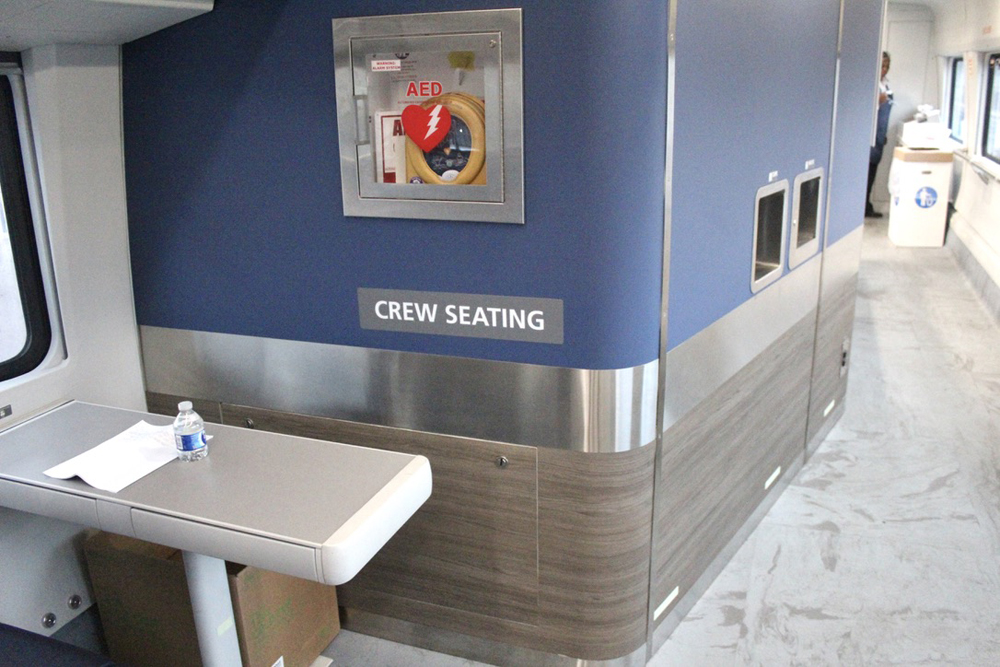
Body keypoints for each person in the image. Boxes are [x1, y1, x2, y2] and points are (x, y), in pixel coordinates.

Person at [866, 52, 893, 218]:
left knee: (873, 173)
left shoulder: (886, 85)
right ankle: (863, 207)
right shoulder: (870, 84)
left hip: (879, 136)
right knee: (867, 173)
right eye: (882, 66)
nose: (885, 70)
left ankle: (866, 205)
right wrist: (877, 101)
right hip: (870, 138)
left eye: (887, 66)